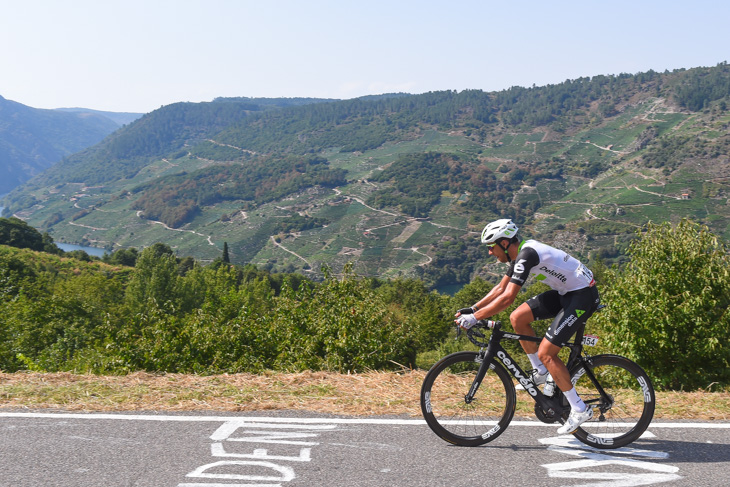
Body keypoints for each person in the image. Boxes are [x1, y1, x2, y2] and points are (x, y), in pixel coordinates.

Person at [455, 219, 600, 435]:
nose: (489, 253)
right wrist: (472, 309)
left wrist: (476, 318)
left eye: (491, 247)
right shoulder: (519, 254)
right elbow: (500, 289)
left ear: (504, 243)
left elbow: (507, 298)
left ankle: (580, 408)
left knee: (547, 353)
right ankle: (540, 371)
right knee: (518, 318)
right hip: (566, 293)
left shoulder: (527, 255)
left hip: (582, 297)